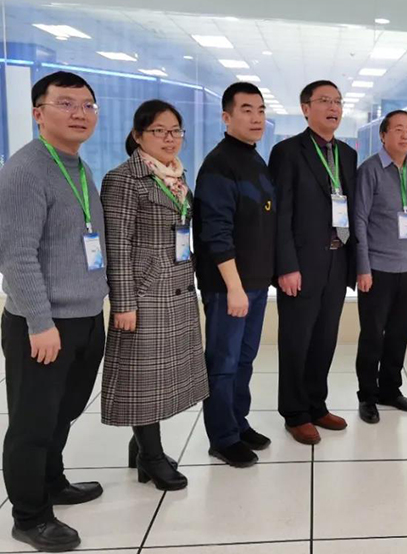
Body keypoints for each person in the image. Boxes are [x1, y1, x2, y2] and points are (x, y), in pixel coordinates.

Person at [0, 72, 107, 552]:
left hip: (85, 317)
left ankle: (52, 481)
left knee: (64, 411)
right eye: (66, 103)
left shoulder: (78, 167)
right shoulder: (25, 171)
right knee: (33, 423)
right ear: (38, 113)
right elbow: (16, 255)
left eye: (87, 105)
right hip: (43, 324)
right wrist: (39, 323)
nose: (80, 113)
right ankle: (29, 515)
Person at [101, 100, 208, 491]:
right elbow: (117, 245)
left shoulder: (176, 175)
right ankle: (152, 456)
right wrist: (124, 304)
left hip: (177, 286)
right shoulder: (124, 179)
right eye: (159, 131)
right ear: (137, 135)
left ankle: (141, 449)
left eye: (175, 130)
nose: (169, 138)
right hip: (145, 294)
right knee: (144, 379)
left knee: (164, 376)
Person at [269, 80, 356, 445]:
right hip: (302, 264)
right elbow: (280, 215)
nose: (333, 107)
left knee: (325, 338)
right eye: (324, 101)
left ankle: (316, 405)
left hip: (338, 259)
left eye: (337, 101)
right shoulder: (288, 152)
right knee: (296, 340)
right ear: (306, 109)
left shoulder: (347, 154)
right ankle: (295, 413)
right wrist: (286, 266)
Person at [193, 83, 276, 467]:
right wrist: (234, 287)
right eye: (246, 110)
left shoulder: (254, 158)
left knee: (244, 359)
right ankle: (222, 437)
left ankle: (238, 423)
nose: (256, 117)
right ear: (226, 117)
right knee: (223, 364)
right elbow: (216, 231)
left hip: (255, 283)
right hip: (229, 286)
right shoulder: (219, 164)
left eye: (260, 110)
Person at [353, 110, 407, 424]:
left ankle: (390, 389)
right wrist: (363, 267)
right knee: (373, 334)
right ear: (383, 134)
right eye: (398, 129)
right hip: (377, 268)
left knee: (400, 332)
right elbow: (358, 220)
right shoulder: (370, 169)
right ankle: (367, 395)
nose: (405, 135)